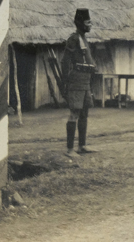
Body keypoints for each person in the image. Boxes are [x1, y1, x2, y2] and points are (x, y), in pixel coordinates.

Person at [60, 8, 98, 157]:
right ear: (80, 23)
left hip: (85, 80)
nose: (90, 25)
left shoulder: (83, 39)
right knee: (74, 113)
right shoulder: (74, 39)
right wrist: (65, 82)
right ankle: (70, 149)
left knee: (84, 113)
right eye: (88, 22)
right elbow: (65, 61)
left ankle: (82, 146)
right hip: (76, 81)